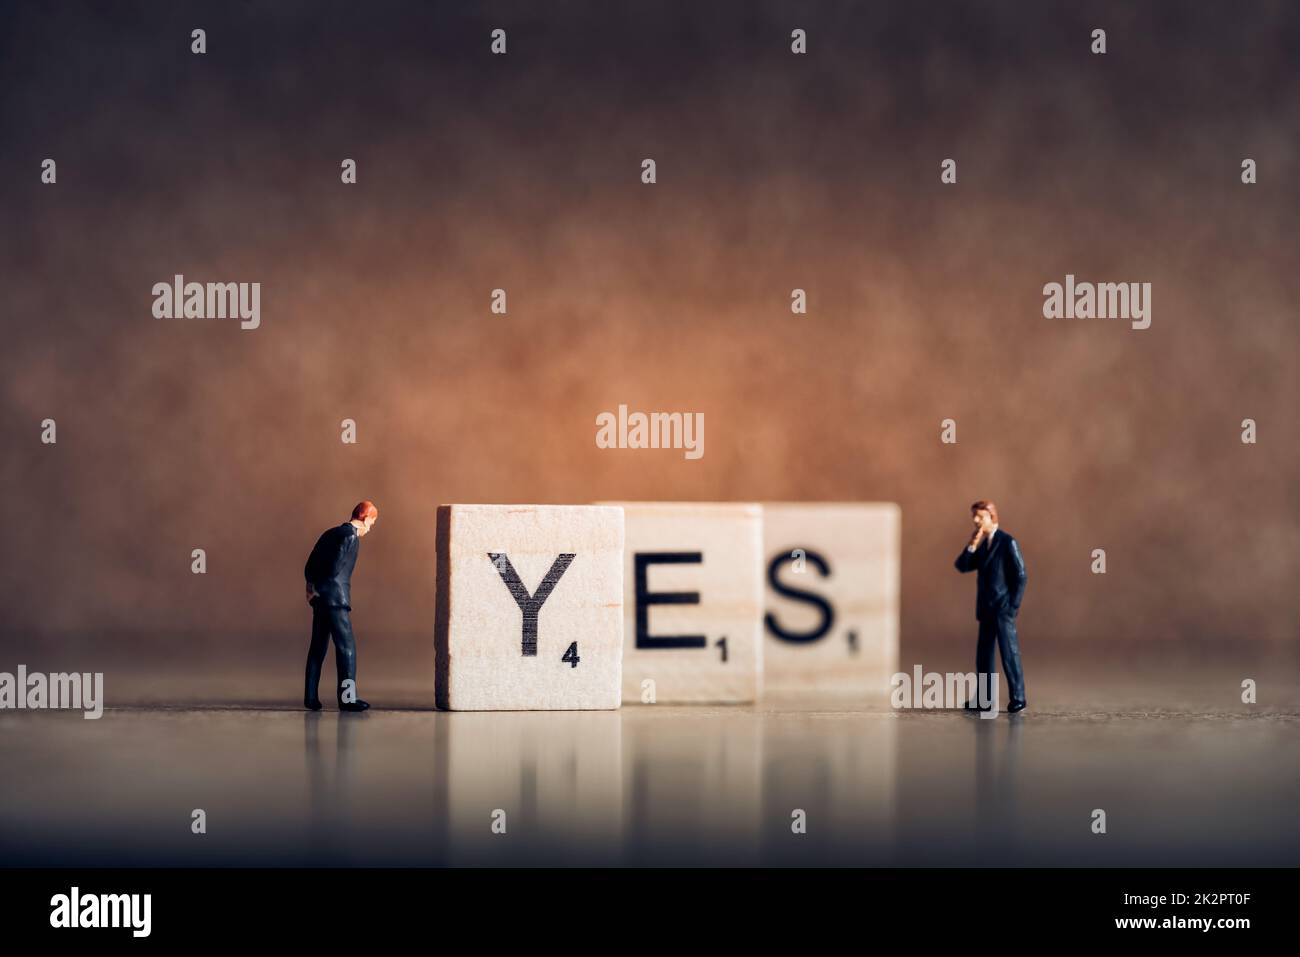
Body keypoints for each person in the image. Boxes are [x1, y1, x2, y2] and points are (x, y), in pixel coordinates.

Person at [303, 501, 378, 712]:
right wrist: (329, 588)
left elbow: (309, 565)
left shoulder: (330, 533)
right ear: (364, 518)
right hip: (337, 600)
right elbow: (335, 568)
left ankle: (310, 697)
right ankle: (347, 698)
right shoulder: (351, 537)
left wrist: (313, 587)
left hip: (320, 598)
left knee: (317, 648)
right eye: (371, 522)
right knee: (347, 649)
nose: (370, 528)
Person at [954, 500, 1027, 714]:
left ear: (991, 516)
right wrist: (972, 544)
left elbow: (1021, 575)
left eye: (980, 516)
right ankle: (984, 699)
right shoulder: (983, 545)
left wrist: (1012, 606)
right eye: (973, 517)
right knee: (983, 656)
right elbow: (962, 566)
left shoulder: (1007, 542)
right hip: (986, 610)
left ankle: (1018, 697)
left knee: (1009, 653)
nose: (976, 521)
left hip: (1003, 610)